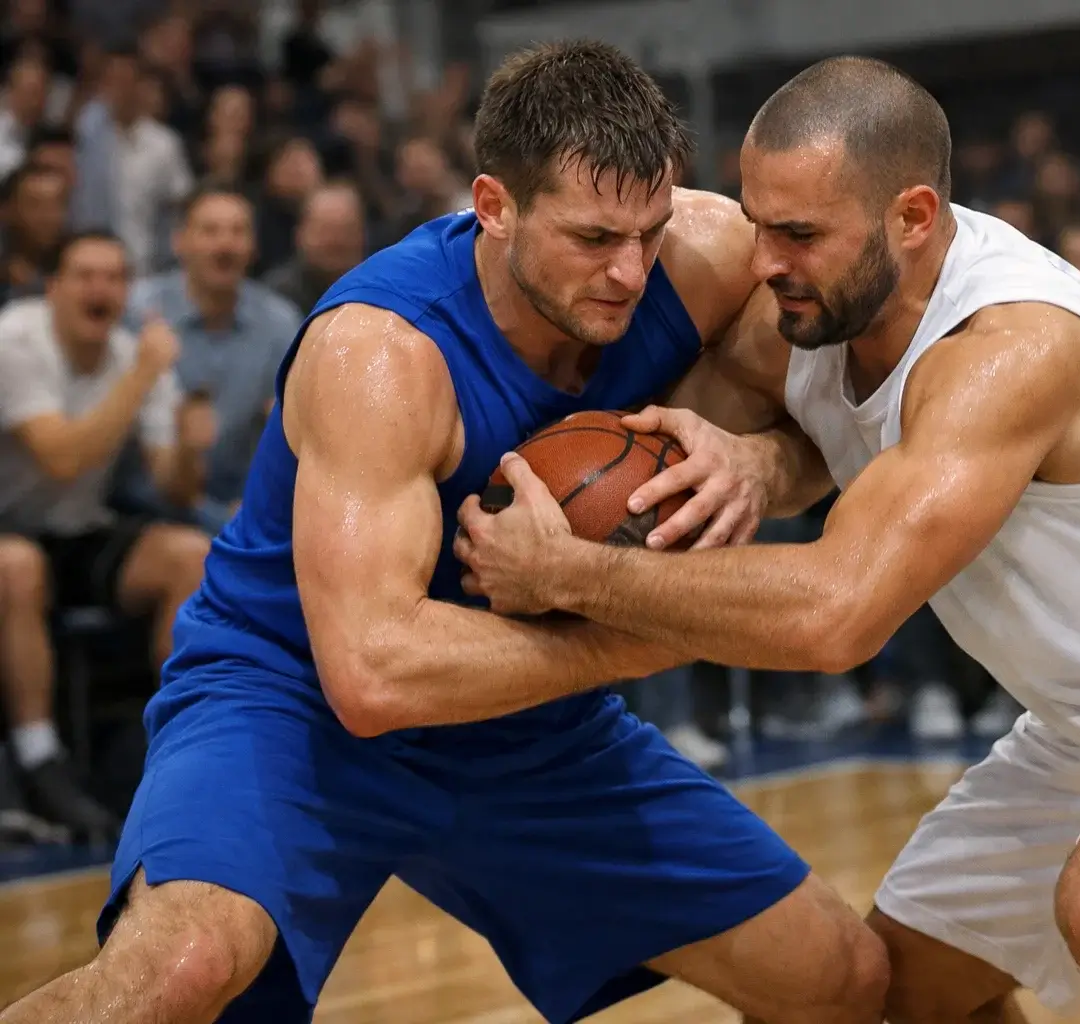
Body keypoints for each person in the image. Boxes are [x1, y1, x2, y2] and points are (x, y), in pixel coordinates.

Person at [456, 57, 1080, 1024]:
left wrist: (571, 570)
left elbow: (838, 615)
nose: (764, 262)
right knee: (893, 1001)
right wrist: (759, 461)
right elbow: (832, 437)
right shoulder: (822, 308)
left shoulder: (1009, 350)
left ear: (911, 217)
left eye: (799, 234)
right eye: (757, 225)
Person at [0, 42, 888, 1024]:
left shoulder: (708, 257)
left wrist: (757, 463)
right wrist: (633, 627)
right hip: (294, 700)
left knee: (839, 979)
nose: (630, 271)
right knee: (174, 973)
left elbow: (845, 433)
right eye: (594, 237)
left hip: (532, 724)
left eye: (650, 227)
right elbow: (374, 674)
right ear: (494, 206)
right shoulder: (380, 352)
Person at [0, 231, 212, 841]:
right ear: (54, 288)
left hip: (77, 531)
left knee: (189, 554)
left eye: (115, 277)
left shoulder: (132, 354)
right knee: (17, 566)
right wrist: (144, 374)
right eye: (86, 275)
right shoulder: (18, 338)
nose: (103, 289)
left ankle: (185, 750)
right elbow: (60, 456)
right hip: (10, 529)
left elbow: (176, 490)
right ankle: (41, 760)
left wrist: (191, 451)